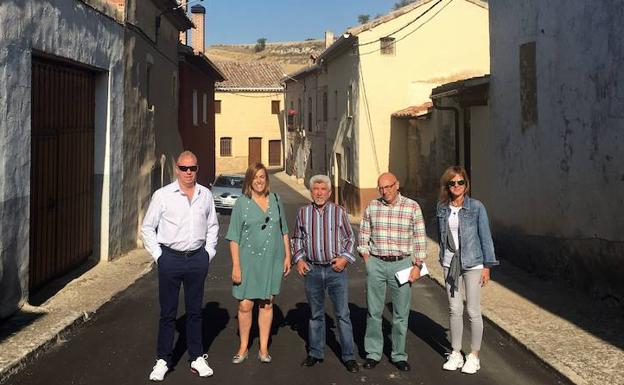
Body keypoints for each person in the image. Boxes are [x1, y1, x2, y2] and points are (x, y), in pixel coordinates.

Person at [141, 151, 219, 381]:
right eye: (184, 168)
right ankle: (163, 359)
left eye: (192, 168)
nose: (188, 172)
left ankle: (196, 357)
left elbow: (213, 226)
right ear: (176, 169)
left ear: (197, 169)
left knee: (195, 311)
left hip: (197, 258)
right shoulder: (162, 195)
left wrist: (208, 253)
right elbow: (147, 228)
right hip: (170, 259)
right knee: (168, 313)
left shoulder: (205, 195)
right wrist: (159, 256)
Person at [358, 172, 426, 372]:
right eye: (381, 187)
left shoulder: (412, 207)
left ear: (397, 185)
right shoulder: (372, 206)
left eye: (388, 186)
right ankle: (373, 353)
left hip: (402, 264)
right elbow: (364, 234)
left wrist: (418, 265)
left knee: (400, 314)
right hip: (377, 263)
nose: (384, 191)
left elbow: (420, 238)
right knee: (374, 312)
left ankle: (398, 355)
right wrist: (367, 259)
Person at [291, 174, 359, 373]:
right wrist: (300, 259)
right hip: (313, 270)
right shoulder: (303, 213)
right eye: (315, 189)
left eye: (323, 189)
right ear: (311, 192)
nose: (319, 193)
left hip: (335, 270)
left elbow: (349, 238)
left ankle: (348, 356)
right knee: (315, 314)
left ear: (329, 192)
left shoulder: (339, 212)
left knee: (343, 315)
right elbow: (296, 238)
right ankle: (315, 353)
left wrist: (345, 258)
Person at [226, 163, 291, 364]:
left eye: (262, 176)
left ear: (267, 179)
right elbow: (234, 237)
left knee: (267, 304)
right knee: (245, 305)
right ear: (249, 181)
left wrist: (288, 256)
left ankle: (263, 348)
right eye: (255, 177)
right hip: (247, 262)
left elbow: (284, 230)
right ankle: (244, 347)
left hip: (272, 260)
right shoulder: (241, 204)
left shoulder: (276, 200)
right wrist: (236, 265)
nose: (259, 180)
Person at [436, 166, 499, 374]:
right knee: (454, 309)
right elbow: (441, 235)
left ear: (466, 184)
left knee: (472, 310)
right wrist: (442, 257)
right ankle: (455, 353)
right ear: (447, 185)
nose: (456, 186)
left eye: (460, 182)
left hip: (473, 263)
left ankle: (474, 355)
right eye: (452, 183)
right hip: (450, 264)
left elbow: (485, 237)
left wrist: (487, 267)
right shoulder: (442, 208)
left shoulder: (477, 207)